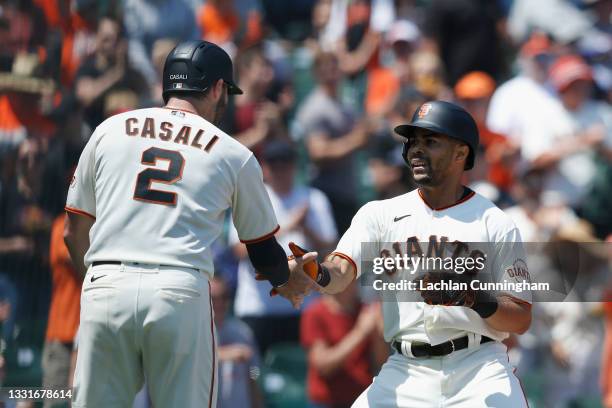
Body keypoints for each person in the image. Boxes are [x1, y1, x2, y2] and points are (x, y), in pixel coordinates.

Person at [64, 40, 315, 407]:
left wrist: (98, 283)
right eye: (225, 91)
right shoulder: (233, 152)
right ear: (215, 88)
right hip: (178, 291)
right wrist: (286, 278)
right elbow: (262, 252)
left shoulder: (108, 129)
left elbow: (73, 230)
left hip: (105, 283)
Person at [291, 101, 533, 407]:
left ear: (461, 153)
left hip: (478, 367)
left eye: (430, 142)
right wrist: (314, 273)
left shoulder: (494, 222)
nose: (416, 150)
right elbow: (340, 273)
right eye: (413, 142)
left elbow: (521, 318)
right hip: (406, 369)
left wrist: (472, 297)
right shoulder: (379, 214)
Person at [230, 140, 337, 355]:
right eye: (274, 165)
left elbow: (330, 249)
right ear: (265, 168)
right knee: (258, 373)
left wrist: (306, 228)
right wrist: (289, 225)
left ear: (294, 166)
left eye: (285, 164)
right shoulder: (252, 197)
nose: (280, 170)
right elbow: (238, 251)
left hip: (303, 306)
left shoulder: (314, 199)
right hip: (258, 307)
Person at [301, 280, 388, 408]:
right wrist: (360, 332)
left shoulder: (365, 311)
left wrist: (379, 333)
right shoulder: (316, 312)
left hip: (362, 398)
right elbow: (323, 366)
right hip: (327, 402)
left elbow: (381, 362)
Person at [211, 275, 264, 408]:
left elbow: (253, 375)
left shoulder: (242, 332)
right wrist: (222, 355)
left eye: (224, 297)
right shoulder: (194, 333)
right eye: (213, 298)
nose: (219, 303)